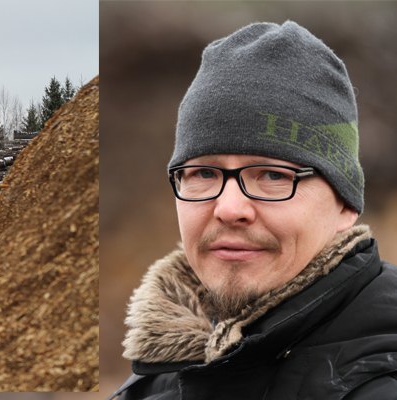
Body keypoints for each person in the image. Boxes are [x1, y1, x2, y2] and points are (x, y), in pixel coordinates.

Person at [110, 21, 397, 400]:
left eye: (273, 175)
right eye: (204, 173)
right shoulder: (151, 384)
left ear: (345, 204)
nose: (229, 208)